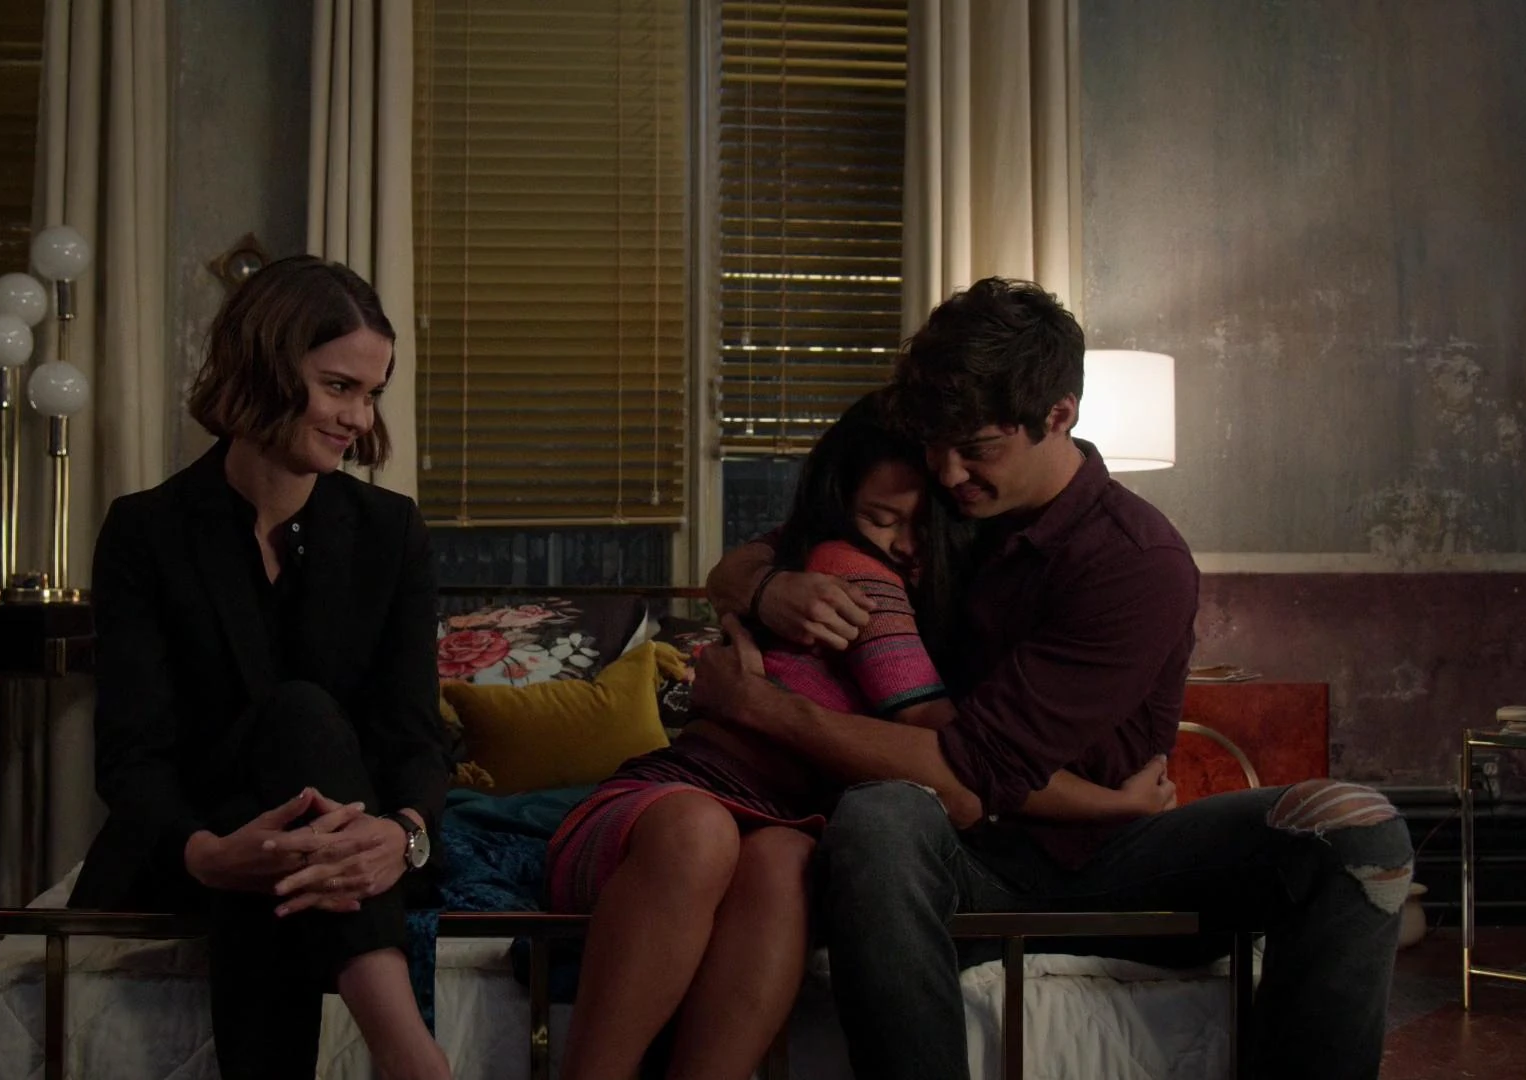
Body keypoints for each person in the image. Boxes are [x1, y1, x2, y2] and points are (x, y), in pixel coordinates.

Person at [695, 277, 1413, 1080]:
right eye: (938, 446)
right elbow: (782, 545)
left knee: (1356, 826)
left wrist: (758, 707)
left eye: (977, 449)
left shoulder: (1134, 561)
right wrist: (765, 586)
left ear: (1060, 413)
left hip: (1116, 859)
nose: (950, 472)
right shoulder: (947, 500)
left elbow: (973, 770)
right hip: (964, 854)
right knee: (880, 816)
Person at [545, 390, 1175, 1080]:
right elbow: (965, 776)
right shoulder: (852, 577)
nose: (904, 544)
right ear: (840, 508)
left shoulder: (965, 570)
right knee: (701, 832)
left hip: (786, 823)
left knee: (787, 862)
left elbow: (967, 767)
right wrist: (1114, 804)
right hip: (676, 803)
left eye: (922, 523)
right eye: (881, 519)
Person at [70, 256, 451, 1080]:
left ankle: (403, 1053)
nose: (359, 418)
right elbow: (132, 756)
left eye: (372, 393)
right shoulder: (147, 531)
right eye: (338, 386)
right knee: (293, 735)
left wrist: (404, 834)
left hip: (347, 849)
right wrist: (206, 852)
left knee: (296, 767)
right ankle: (410, 1053)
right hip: (194, 845)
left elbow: (414, 737)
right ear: (265, 367)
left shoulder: (390, 533)